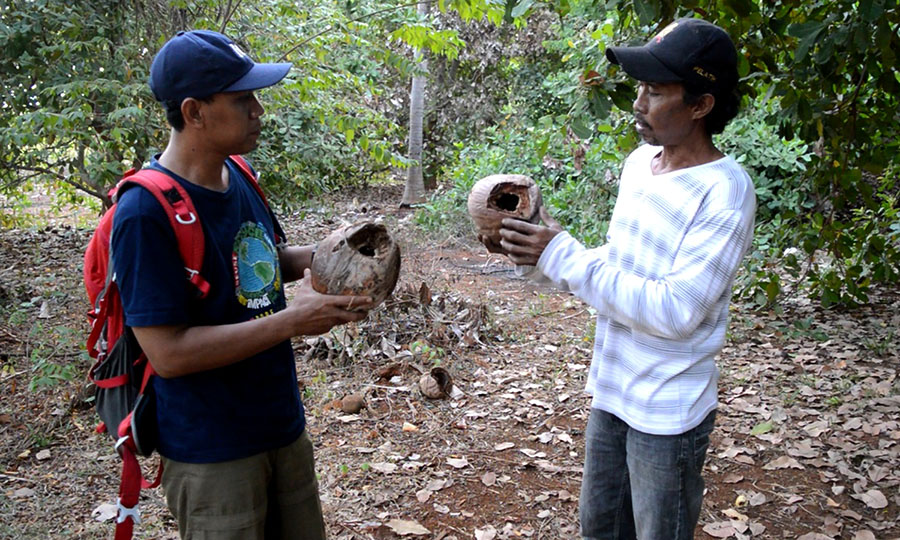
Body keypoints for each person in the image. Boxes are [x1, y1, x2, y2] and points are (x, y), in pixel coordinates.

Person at [484, 18, 756, 540]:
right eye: (640, 88)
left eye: (656, 91)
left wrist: (563, 255)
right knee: (600, 529)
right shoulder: (639, 165)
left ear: (701, 105)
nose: (638, 102)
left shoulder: (725, 191)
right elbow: (620, 265)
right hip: (612, 392)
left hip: (668, 412)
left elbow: (675, 310)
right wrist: (539, 255)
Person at [111, 30, 374, 539]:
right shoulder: (144, 213)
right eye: (242, 98)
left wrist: (335, 254)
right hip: (214, 453)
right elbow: (169, 353)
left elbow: (256, 261)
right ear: (194, 112)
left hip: (281, 427)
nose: (258, 110)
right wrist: (292, 321)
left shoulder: (240, 175)